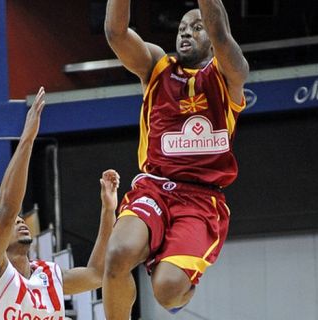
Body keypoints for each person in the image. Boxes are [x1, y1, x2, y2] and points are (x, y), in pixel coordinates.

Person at [103, 0, 249, 318]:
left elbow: (222, 35)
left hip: (200, 199)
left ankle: (177, 282)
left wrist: (209, 19)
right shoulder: (157, 66)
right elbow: (115, 33)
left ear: (210, 37)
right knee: (117, 253)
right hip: (153, 188)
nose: (186, 33)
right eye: (182, 28)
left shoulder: (228, 76)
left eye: (196, 28)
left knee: (167, 292)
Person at [0, 87, 119, 319]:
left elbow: (96, 274)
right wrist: (27, 140)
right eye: (14, 223)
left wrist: (108, 210)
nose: (20, 222)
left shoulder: (47, 275)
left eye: (21, 220)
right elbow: (6, 211)